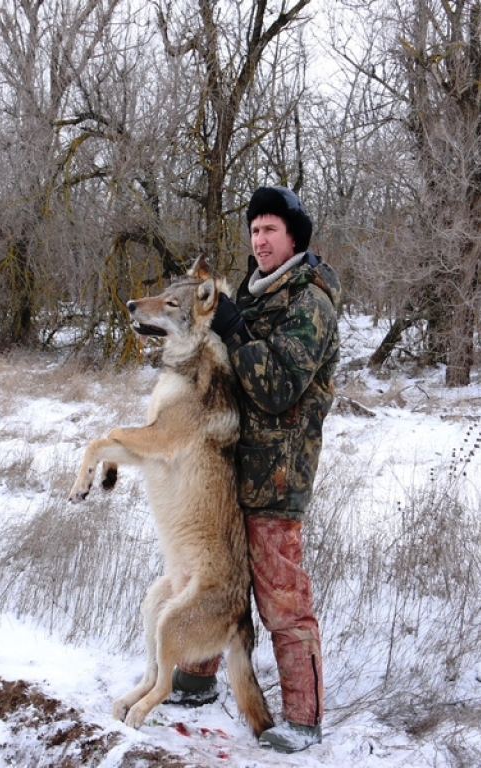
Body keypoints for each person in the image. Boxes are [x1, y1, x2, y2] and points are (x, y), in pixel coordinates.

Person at [169, 186, 341, 754]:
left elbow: (278, 386)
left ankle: (303, 718)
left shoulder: (308, 301)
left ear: (294, 237)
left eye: (270, 229)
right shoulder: (254, 293)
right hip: (230, 467)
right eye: (254, 229)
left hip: (277, 476)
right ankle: (195, 678)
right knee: (215, 576)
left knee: (281, 599)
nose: (258, 239)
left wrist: (234, 328)